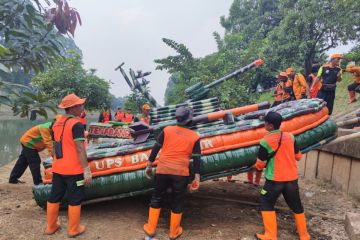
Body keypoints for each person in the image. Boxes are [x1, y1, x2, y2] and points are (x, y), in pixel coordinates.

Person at [143, 106, 201, 240]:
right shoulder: (195, 136)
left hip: (163, 169)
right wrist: (197, 177)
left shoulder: (167, 130)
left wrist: (149, 165)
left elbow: (156, 147)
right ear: (189, 120)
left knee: (157, 197)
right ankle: (174, 232)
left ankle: (151, 229)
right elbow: (197, 158)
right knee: (177, 200)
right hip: (180, 173)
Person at [254, 111, 310, 240]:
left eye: (265, 122)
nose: (264, 124)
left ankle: (270, 235)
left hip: (274, 181)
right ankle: (304, 235)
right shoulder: (290, 136)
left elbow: (260, 165)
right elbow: (298, 156)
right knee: (296, 205)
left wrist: (256, 165)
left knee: (266, 203)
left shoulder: (265, 141)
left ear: (270, 126)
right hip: (291, 179)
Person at [45, 93, 92, 237]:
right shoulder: (76, 124)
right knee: (75, 198)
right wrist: (86, 170)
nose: (82, 107)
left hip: (58, 168)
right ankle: (73, 229)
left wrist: (57, 162)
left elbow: (54, 147)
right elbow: (79, 148)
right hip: (74, 170)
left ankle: (51, 227)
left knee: (54, 197)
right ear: (73, 108)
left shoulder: (56, 123)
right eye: (80, 105)